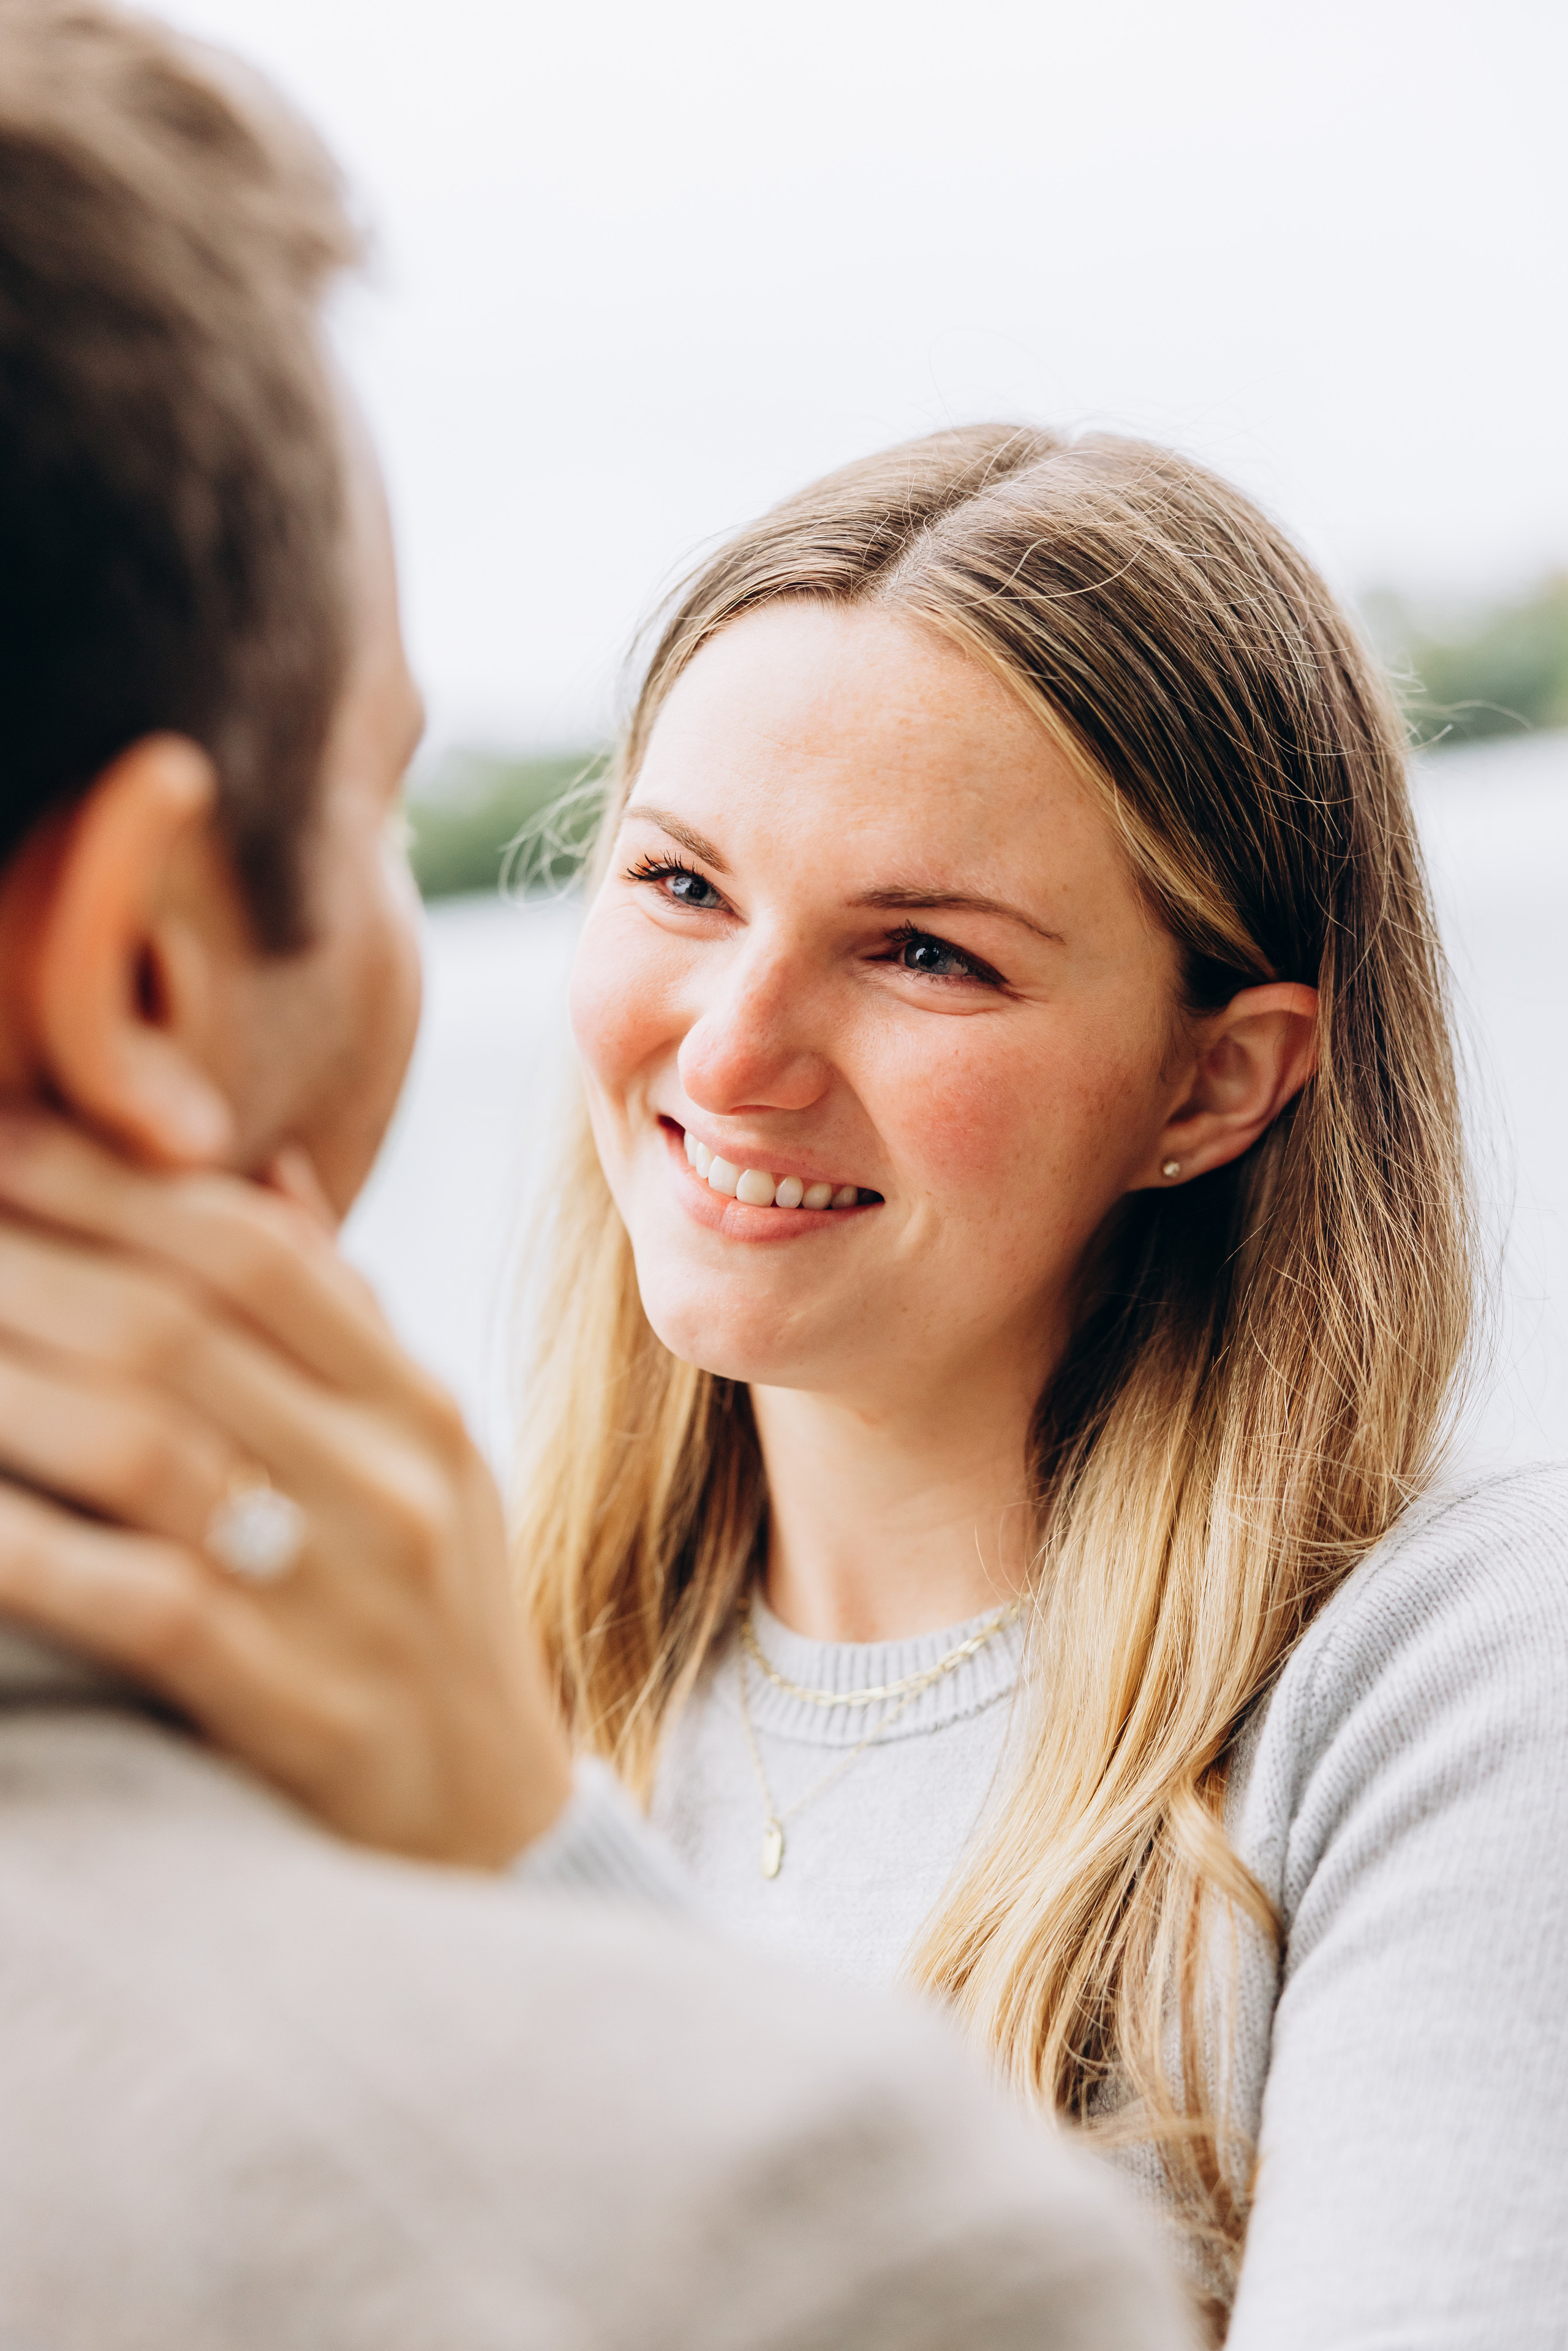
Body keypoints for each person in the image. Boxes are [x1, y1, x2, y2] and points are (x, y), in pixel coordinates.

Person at [1, 25, 1562, 2351]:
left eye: (926, 953)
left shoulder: (1455, 1674)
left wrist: (527, 1865)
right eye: (679, 884)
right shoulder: (455, 1646)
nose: (730, 1054)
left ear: (1216, 1082)